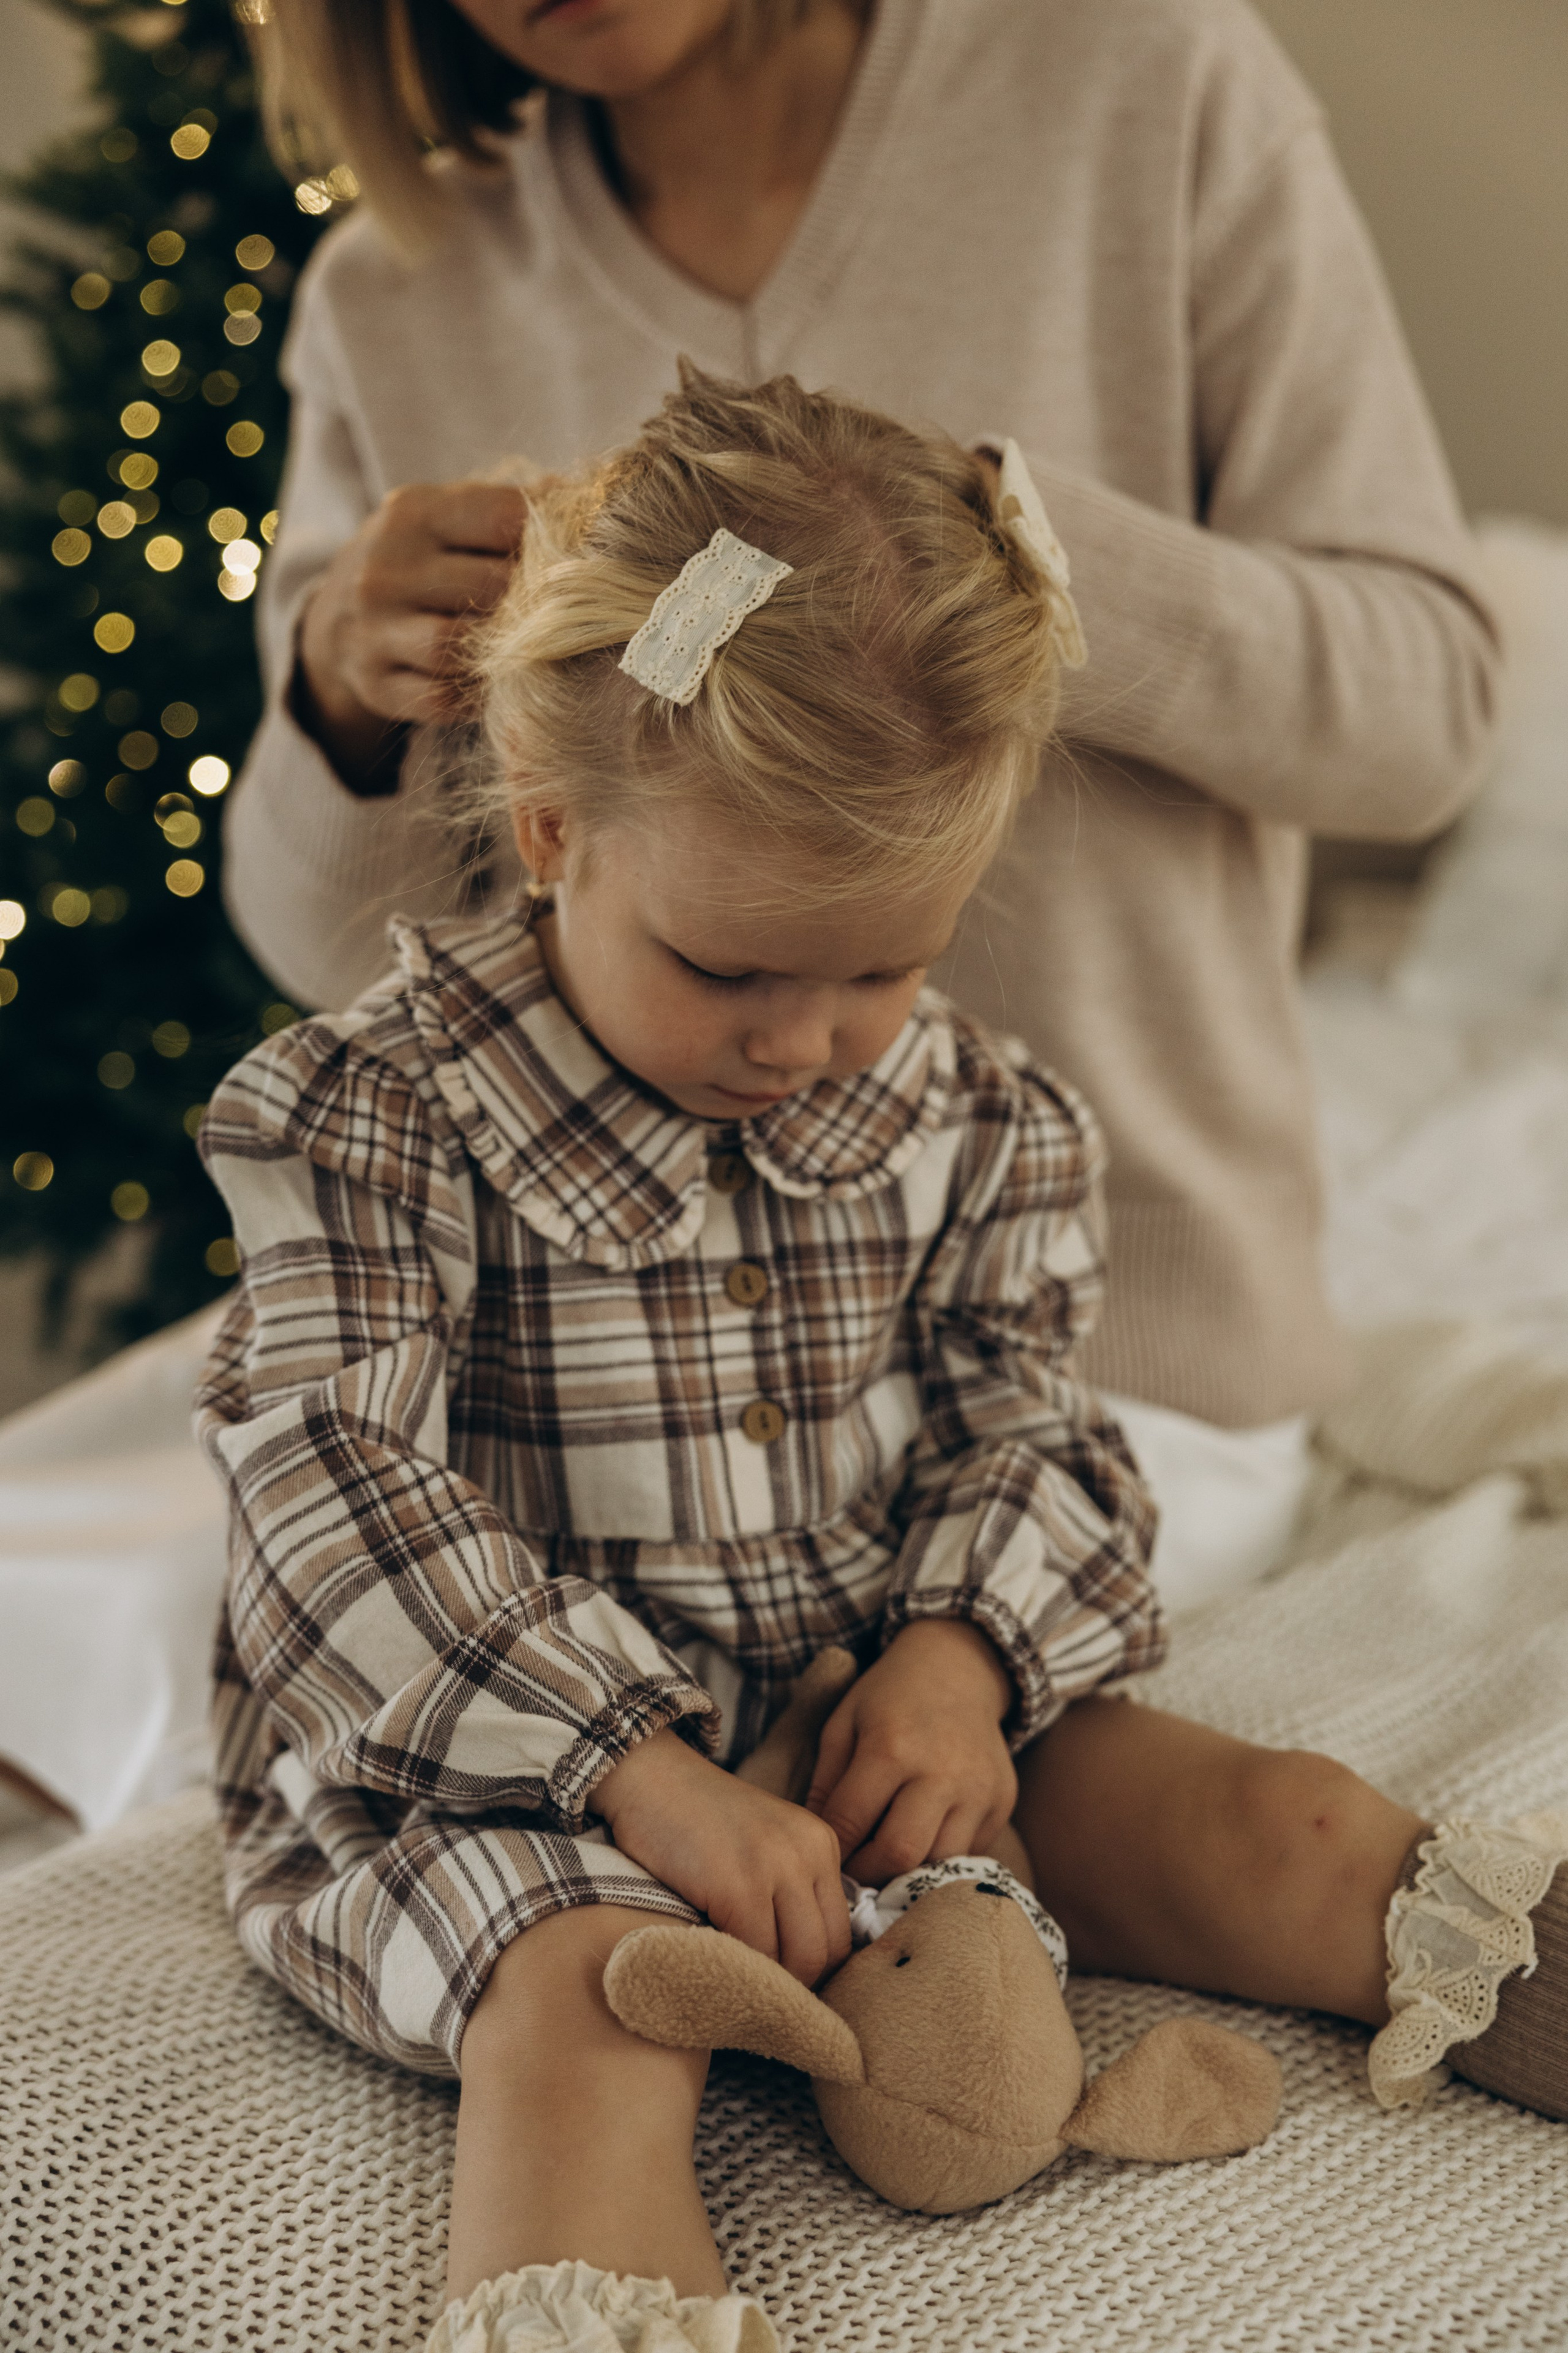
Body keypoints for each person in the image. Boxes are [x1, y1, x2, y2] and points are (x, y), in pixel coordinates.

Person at [196, 375, 1559, 2353]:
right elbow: (334, 1505)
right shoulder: (368, 1119)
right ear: (558, 829)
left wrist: (960, 1665)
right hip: (517, 1762)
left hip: (864, 1687)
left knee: (1288, 1825)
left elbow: (1035, 1427)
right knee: (582, 2015)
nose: (802, 1040)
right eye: (733, 968)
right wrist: (643, 1782)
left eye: (879, 966)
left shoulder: (978, 1121)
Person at [226, 0, 1502, 1485]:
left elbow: (1429, 721)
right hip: (618, 1415)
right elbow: (336, 960)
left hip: (1119, 1365)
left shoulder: (1145, 85)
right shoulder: (393, 298)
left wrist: (1014, 565)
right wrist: (336, 698)